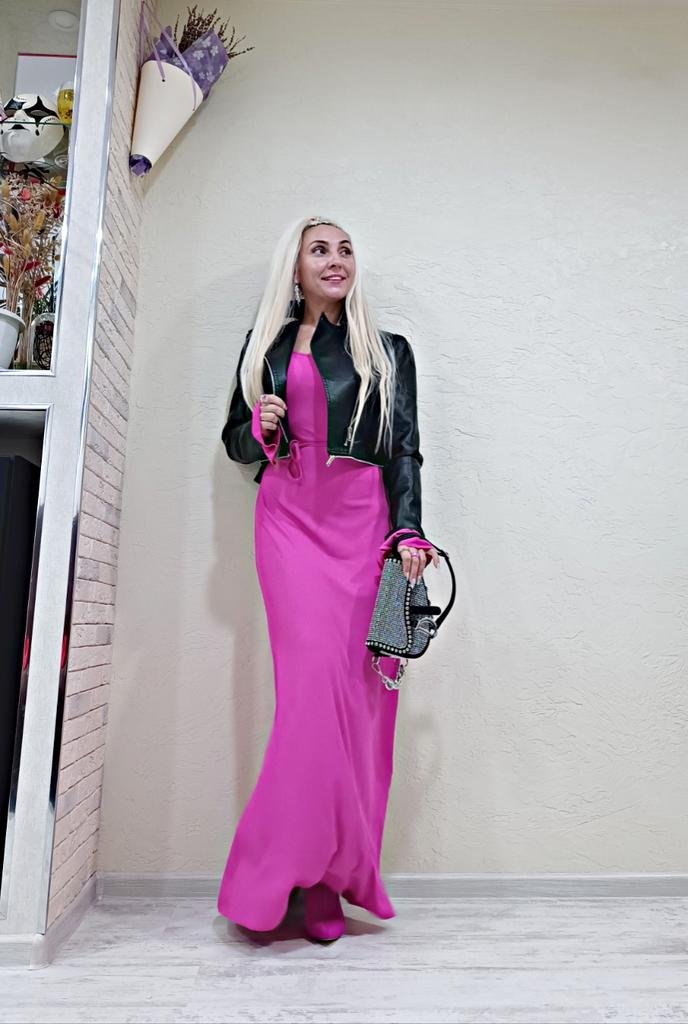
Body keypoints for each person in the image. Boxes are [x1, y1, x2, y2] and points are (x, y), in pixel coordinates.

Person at [217, 214, 439, 943]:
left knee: (358, 706)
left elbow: (404, 450)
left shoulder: (389, 350)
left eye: (345, 250)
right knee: (308, 700)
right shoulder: (265, 347)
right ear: (296, 267)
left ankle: (327, 880)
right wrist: (261, 426)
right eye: (320, 250)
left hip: (362, 526)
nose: (336, 260)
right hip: (288, 524)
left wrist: (408, 530)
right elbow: (236, 442)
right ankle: (285, 871)